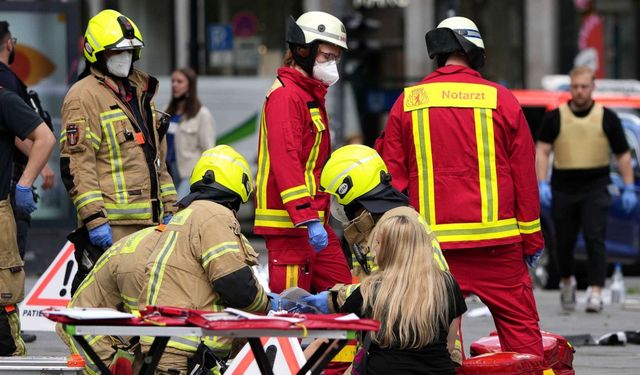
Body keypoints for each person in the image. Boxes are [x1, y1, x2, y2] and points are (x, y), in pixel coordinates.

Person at [375, 16, 544, 357]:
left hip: (433, 249)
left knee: (437, 336)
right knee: (522, 335)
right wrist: (532, 240)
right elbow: (524, 175)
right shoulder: (501, 99)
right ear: (474, 52)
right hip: (497, 246)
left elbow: (391, 180)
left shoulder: (407, 102)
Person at [138, 145, 270, 374]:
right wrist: (270, 305)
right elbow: (237, 287)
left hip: (165, 343)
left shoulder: (186, 214)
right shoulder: (214, 215)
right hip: (187, 349)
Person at [60, 10, 176, 263]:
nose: (124, 57)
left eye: (128, 51)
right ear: (97, 53)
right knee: (102, 300)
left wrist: (170, 207)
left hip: (152, 224)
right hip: (113, 227)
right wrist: (94, 219)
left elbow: (158, 161)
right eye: (116, 51)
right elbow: (78, 164)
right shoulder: (83, 96)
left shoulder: (141, 91)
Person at [253, 11, 352, 296]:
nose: (332, 64)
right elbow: (287, 162)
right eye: (326, 56)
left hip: (312, 223)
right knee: (291, 317)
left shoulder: (308, 95)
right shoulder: (287, 96)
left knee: (345, 300)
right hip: (291, 227)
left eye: (335, 57)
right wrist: (306, 218)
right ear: (303, 51)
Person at [536, 66, 637, 313]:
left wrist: (629, 186)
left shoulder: (607, 117)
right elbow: (543, 149)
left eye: (584, 86)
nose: (579, 92)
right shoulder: (556, 117)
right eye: (575, 87)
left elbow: (623, 154)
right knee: (564, 242)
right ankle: (567, 281)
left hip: (596, 186)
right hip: (563, 187)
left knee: (595, 239)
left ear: (592, 87)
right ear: (570, 87)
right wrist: (542, 181)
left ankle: (595, 291)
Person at [323, 215, 467, 374]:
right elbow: (450, 344)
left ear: (390, 250)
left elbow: (330, 341)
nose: (373, 248)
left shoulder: (369, 291)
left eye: (377, 242)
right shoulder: (446, 284)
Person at [0, 20, 56, 344]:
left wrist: (24, 182)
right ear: (9, 44)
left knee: (6, 282)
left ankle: (9, 338)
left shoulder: (4, 95)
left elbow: (39, 136)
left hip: (4, 200)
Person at [58, 226, 164, 374]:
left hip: (109, 333)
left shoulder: (161, 242)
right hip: (94, 338)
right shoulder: (138, 267)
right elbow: (148, 334)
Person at [165, 67, 215, 198]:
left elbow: (208, 150)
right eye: (173, 81)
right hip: (167, 174)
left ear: (190, 86)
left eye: (179, 81)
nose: (174, 85)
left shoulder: (202, 114)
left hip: (189, 174)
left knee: (179, 206)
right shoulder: (166, 112)